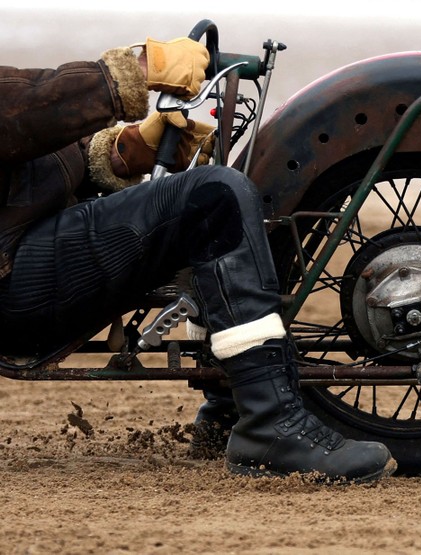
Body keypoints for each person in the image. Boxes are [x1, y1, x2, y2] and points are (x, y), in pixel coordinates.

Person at [0, 37, 396, 483]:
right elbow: (15, 109)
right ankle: (271, 424)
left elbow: (23, 154)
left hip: (24, 255)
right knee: (215, 197)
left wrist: (123, 153)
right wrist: (134, 70)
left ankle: (229, 409)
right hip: (16, 285)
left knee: (205, 203)